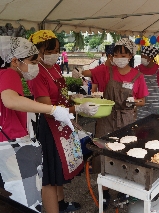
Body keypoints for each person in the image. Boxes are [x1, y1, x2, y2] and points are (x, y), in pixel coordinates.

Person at [72, 38, 148, 210]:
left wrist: (134, 102)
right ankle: (104, 191)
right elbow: (89, 73)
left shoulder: (138, 76)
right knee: (103, 154)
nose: (119, 58)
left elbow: (143, 100)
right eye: (116, 54)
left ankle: (123, 191)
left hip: (127, 120)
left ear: (130, 55)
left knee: (124, 154)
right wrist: (78, 72)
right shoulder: (107, 70)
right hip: (106, 118)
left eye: (123, 54)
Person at [0, 36, 74, 212]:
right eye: (32, 61)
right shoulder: (10, 73)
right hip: (13, 143)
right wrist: (53, 110)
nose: (35, 66)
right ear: (14, 60)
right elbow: (10, 100)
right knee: (27, 199)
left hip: (6, 142)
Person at [28, 30, 98, 213]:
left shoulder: (56, 68)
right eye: (49, 51)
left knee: (60, 169)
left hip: (63, 124)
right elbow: (48, 109)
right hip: (49, 127)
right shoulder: (36, 73)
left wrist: (75, 98)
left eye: (57, 50)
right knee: (50, 175)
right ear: (37, 51)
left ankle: (61, 204)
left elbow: (60, 95)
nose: (54, 54)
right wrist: (78, 109)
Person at [135, 46, 159, 119]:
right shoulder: (138, 68)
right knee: (140, 125)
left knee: (153, 124)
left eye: (144, 57)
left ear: (150, 58)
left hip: (154, 104)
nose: (142, 59)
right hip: (141, 103)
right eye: (141, 56)